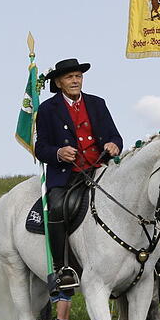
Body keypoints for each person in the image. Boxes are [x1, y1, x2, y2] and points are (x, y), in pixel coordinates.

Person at [34, 58, 122, 293]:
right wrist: (58, 152)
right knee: (57, 207)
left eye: (78, 76)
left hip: (101, 168)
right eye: (69, 77)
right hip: (68, 174)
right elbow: (40, 148)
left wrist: (114, 145)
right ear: (59, 83)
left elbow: (116, 136)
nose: (75, 80)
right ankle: (62, 269)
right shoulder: (47, 109)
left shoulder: (97, 103)